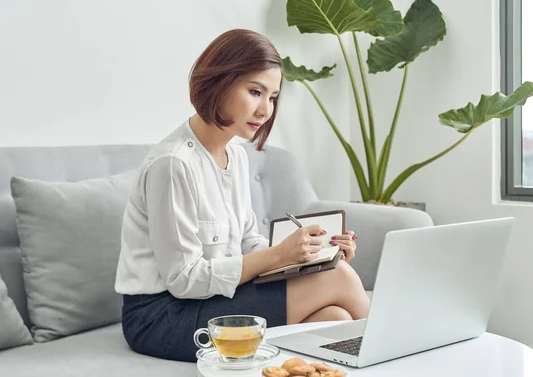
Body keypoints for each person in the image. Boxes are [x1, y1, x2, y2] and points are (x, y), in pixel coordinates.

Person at [114, 29, 370, 362]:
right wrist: (279, 257)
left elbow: (249, 242)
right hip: (162, 317)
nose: (265, 110)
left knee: (335, 317)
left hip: (213, 298)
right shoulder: (173, 164)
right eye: (255, 91)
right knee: (339, 279)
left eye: (273, 97)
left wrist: (312, 255)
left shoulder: (236, 154)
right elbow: (183, 280)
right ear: (219, 84)